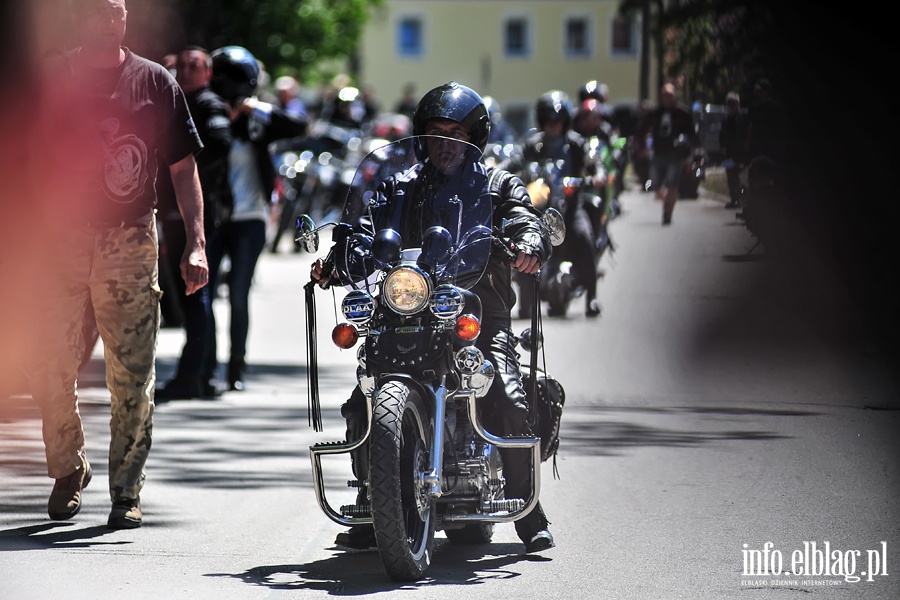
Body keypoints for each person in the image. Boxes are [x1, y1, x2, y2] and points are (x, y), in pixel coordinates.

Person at [310, 81, 557, 554]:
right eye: (436, 131)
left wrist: (527, 243)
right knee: (364, 395)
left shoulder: (498, 184)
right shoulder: (396, 186)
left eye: (455, 132)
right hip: (406, 310)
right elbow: (363, 228)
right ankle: (374, 498)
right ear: (422, 136)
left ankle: (528, 505)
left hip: (476, 315)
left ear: (474, 136)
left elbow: (523, 218)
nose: (445, 141)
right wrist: (338, 259)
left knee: (505, 390)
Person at [26, 0, 208, 529]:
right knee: (48, 365)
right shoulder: (55, 79)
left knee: (131, 373)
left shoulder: (154, 82)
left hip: (129, 240)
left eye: (117, 11)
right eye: (98, 12)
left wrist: (194, 242)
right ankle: (67, 469)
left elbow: (182, 166)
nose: (109, 21)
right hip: (58, 241)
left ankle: (125, 490)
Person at [206, 46, 307, 392]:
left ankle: (236, 367)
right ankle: (205, 366)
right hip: (215, 218)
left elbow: (299, 125)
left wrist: (255, 108)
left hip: (250, 218)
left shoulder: (256, 120)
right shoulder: (210, 118)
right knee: (203, 293)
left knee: (238, 294)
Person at [155, 46, 234, 401]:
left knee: (196, 294)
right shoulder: (176, 101)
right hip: (175, 214)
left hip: (201, 218)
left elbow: (219, 144)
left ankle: (195, 375)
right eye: (182, 64)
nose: (185, 70)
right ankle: (199, 373)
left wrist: (186, 176)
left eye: (194, 66)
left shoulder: (208, 104)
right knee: (193, 298)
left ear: (208, 74)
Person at [502, 90, 601, 318]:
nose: (553, 124)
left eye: (557, 120)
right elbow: (514, 162)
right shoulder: (533, 146)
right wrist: (497, 172)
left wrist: (596, 174)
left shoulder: (576, 145)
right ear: (541, 120)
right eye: (548, 120)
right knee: (526, 243)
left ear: (565, 121)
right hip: (539, 210)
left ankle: (592, 299)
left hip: (570, 209)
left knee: (585, 238)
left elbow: (594, 162)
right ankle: (526, 303)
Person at [638, 82, 696, 225]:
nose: (667, 98)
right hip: (658, 153)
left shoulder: (682, 114)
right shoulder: (655, 113)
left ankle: (668, 214)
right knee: (655, 184)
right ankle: (666, 202)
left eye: (669, 95)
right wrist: (642, 147)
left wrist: (691, 153)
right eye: (664, 95)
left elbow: (692, 134)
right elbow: (642, 130)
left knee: (672, 184)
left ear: (674, 96)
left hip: (676, 156)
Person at [719, 91, 748, 209]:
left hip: (740, 154)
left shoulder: (742, 118)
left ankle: (742, 200)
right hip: (728, 154)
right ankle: (734, 199)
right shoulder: (725, 120)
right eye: (729, 103)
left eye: (733, 103)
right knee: (730, 177)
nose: (730, 106)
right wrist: (722, 147)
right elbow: (722, 135)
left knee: (741, 177)